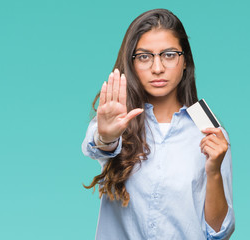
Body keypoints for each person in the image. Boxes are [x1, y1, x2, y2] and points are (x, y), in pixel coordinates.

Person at [81, 9, 235, 240]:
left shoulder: (209, 132)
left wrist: (214, 172)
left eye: (169, 54)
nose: (157, 68)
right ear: (131, 63)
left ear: (185, 61)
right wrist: (107, 136)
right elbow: (98, 144)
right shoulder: (117, 122)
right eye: (144, 56)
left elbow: (218, 233)